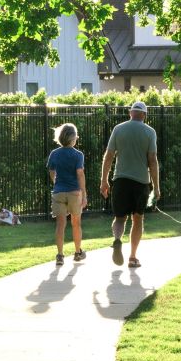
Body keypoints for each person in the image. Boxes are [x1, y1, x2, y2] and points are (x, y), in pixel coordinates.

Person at [100, 100, 160, 269]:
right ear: (145, 115)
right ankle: (133, 257)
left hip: (120, 180)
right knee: (138, 219)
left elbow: (109, 155)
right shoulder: (150, 132)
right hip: (141, 182)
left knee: (119, 218)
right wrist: (156, 187)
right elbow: (152, 160)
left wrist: (104, 180)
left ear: (130, 113)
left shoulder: (118, 129)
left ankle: (118, 239)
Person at [47, 122, 87, 266]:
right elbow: (80, 174)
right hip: (74, 192)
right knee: (76, 223)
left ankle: (60, 255)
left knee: (60, 224)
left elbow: (52, 172)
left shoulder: (54, 153)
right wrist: (84, 193)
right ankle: (77, 252)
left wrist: (56, 183)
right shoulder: (78, 155)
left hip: (58, 192)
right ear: (72, 138)